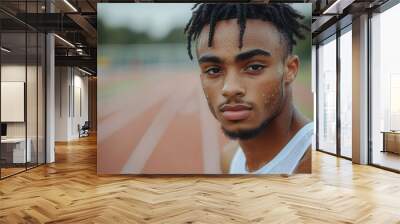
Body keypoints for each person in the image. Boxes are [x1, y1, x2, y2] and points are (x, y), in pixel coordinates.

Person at [184, 3, 312, 174]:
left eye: (254, 67)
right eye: (213, 70)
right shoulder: (229, 158)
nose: (230, 88)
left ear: (290, 69)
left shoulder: (318, 161)